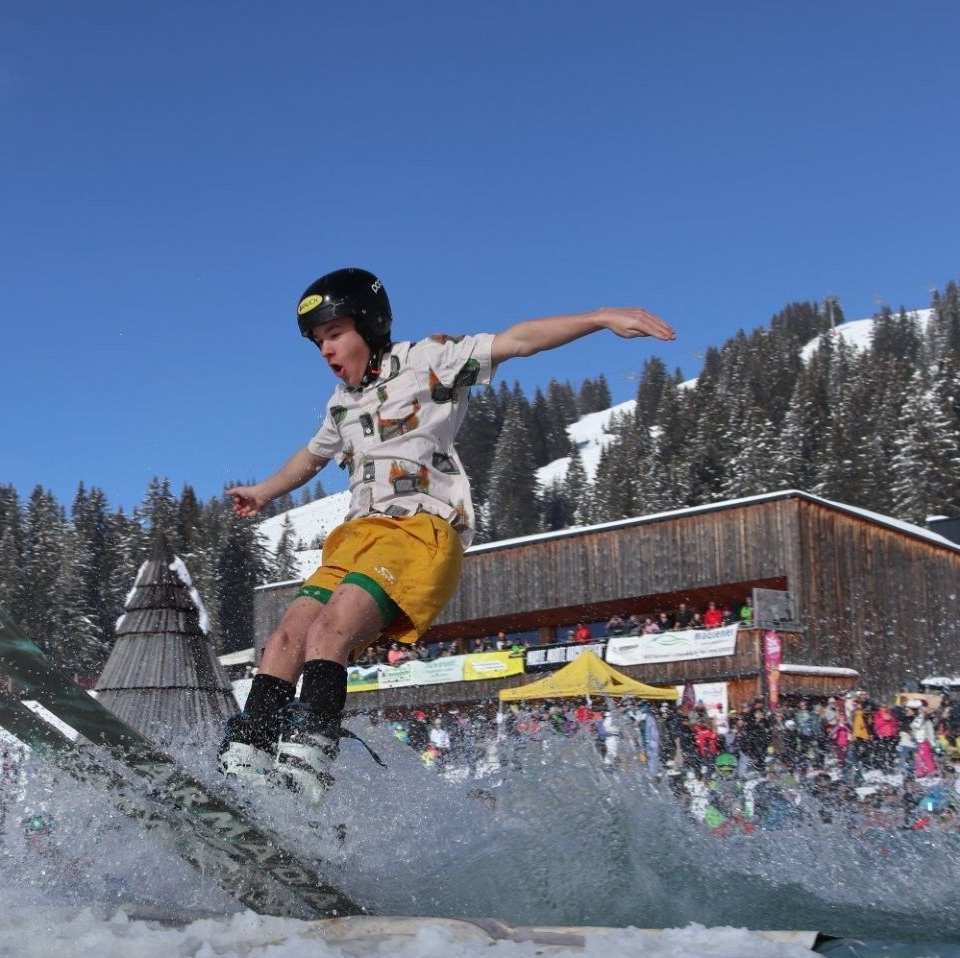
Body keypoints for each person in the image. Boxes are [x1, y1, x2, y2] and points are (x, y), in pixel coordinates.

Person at [218, 267, 675, 801]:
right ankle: (249, 756)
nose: (326, 350)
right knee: (285, 639)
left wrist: (598, 318)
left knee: (329, 633)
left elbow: (516, 341)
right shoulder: (341, 404)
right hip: (355, 538)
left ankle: (306, 774)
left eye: (335, 334)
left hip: (418, 533)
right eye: (318, 342)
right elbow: (313, 455)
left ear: (369, 324)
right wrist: (268, 490)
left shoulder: (428, 361)